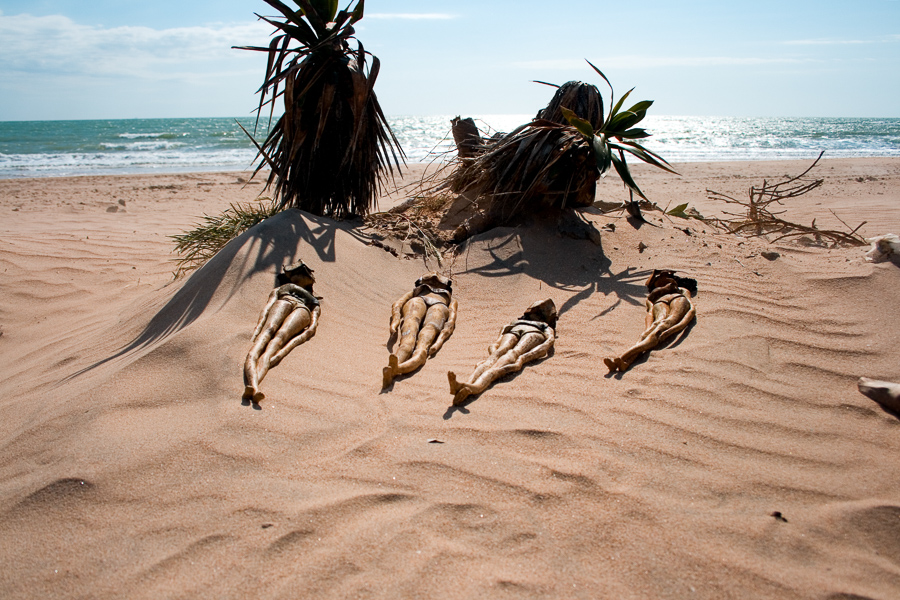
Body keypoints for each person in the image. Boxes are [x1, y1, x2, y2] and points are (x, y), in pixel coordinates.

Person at [448, 298, 557, 405]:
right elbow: (498, 339)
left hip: (534, 333)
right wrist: (493, 350)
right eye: (536, 311)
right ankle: (466, 384)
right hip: (515, 330)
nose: (537, 314)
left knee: (511, 355)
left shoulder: (545, 326)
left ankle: (475, 387)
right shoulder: (516, 322)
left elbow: (548, 342)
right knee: (496, 355)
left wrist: (523, 358)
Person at [243, 260, 321, 403]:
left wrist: (289, 347)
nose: (305, 273)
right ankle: (254, 387)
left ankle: (253, 387)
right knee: (266, 333)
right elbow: (268, 307)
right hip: (285, 301)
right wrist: (259, 326)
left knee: (278, 339)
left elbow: (313, 323)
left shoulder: (314, 300)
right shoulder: (283, 288)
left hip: (303, 309)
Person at [604, 269, 696, 373]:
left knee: (663, 325)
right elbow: (650, 311)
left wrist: (678, 326)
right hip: (660, 302)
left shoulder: (681, 290)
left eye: (666, 276)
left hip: (678, 300)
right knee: (650, 330)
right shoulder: (654, 294)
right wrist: (648, 328)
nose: (664, 277)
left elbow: (691, 308)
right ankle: (625, 363)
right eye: (661, 277)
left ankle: (624, 357)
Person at [383, 273, 458, 387]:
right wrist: (395, 320)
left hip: (439, 304)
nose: (435, 275)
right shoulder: (416, 291)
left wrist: (440, 340)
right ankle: (394, 365)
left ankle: (398, 367)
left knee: (427, 333)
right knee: (409, 331)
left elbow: (451, 320)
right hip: (419, 300)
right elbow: (398, 304)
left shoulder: (451, 299)